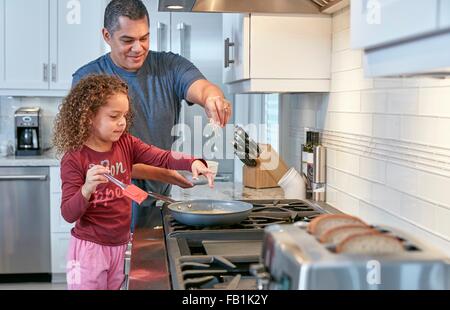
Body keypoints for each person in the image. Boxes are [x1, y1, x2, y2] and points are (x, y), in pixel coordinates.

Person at [72, 0, 232, 225]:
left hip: (157, 203)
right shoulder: (87, 80)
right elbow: (94, 158)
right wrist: (161, 172)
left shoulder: (169, 65)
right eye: (127, 40)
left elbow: (202, 87)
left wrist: (213, 98)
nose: (138, 48)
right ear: (107, 36)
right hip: (107, 208)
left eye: (144, 38)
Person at [53, 75, 214, 290]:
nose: (121, 122)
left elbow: (162, 156)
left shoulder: (126, 144)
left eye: (124, 116)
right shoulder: (74, 158)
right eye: (113, 116)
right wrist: (87, 188)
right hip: (88, 250)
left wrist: (192, 161)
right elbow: (68, 214)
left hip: (119, 245)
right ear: (88, 116)